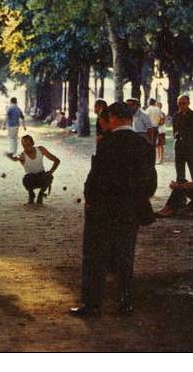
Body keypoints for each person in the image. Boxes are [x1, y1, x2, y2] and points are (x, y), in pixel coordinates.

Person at [70, 102, 156, 317]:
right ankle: (125, 303)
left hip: (104, 209)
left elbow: (97, 177)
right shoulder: (144, 144)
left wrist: (90, 198)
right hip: (130, 208)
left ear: (115, 118)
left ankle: (92, 305)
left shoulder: (107, 143)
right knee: (126, 257)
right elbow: (150, 180)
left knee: (95, 257)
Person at [8, 134, 60, 204]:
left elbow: (56, 160)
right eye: (24, 145)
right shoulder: (22, 155)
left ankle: (40, 195)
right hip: (30, 179)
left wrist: (50, 172)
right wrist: (12, 157)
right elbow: (16, 158)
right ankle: (31, 194)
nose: (27, 147)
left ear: (33, 143)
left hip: (42, 177)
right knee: (26, 178)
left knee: (49, 177)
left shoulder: (41, 149)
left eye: (28, 144)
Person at [172, 95, 193, 184]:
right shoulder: (175, 116)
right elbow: (175, 131)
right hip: (179, 148)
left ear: (188, 103)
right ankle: (180, 196)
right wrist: (177, 137)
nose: (181, 105)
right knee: (180, 174)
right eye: (179, 103)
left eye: (183, 103)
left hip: (191, 148)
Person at [146, 99, 166, 164]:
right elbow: (161, 118)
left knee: (150, 144)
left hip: (150, 128)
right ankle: (154, 159)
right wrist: (157, 123)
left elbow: (146, 118)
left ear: (149, 102)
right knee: (155, 144)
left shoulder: (148, 109)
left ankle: (150, 159)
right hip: (156, 128)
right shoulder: (158, 109)